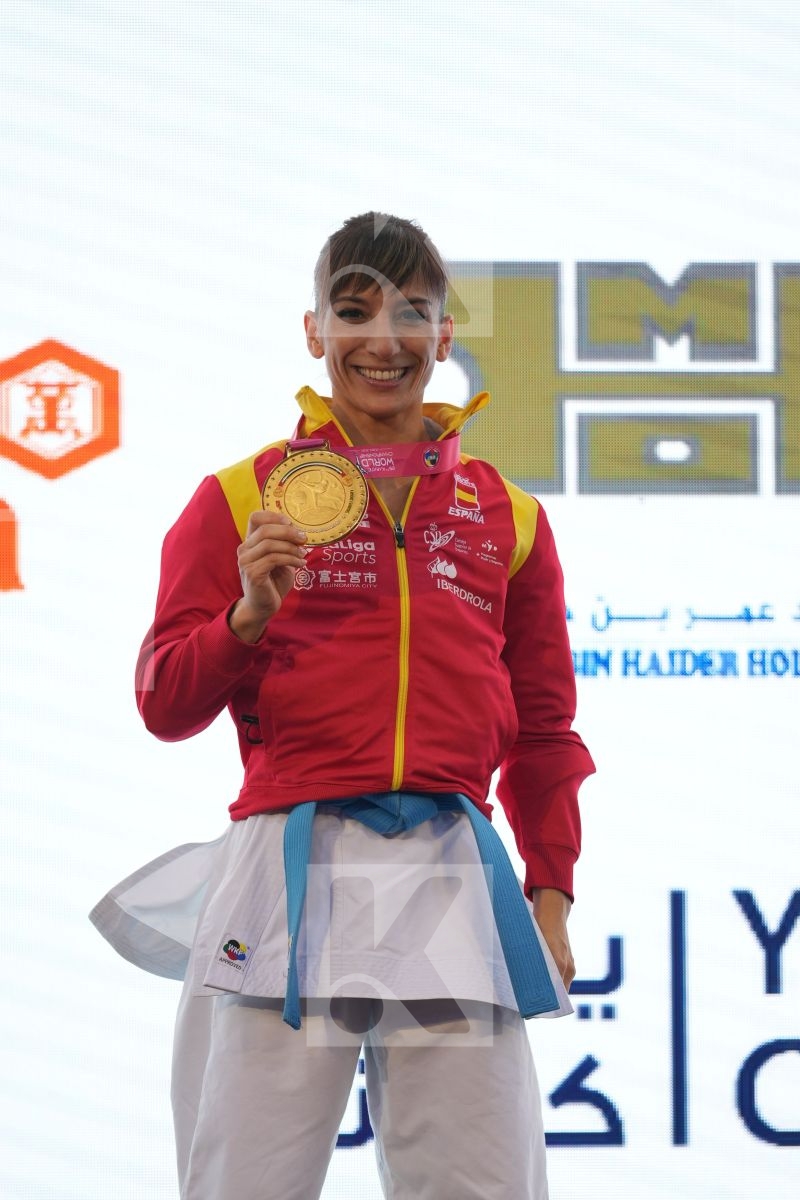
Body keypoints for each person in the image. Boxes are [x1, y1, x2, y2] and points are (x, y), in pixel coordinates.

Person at [91, 212, 595, 1200]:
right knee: (245, 1183)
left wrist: (549, 893)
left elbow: (544, 730)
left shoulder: (508, 515)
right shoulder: (240, 498)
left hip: (453, 866)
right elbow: (161, 700)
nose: (384, 339)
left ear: (444, 337)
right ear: (313, 331)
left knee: (483, 1188)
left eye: (412, 313)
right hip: (287, 863)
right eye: (354, 310)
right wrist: (246, 619)